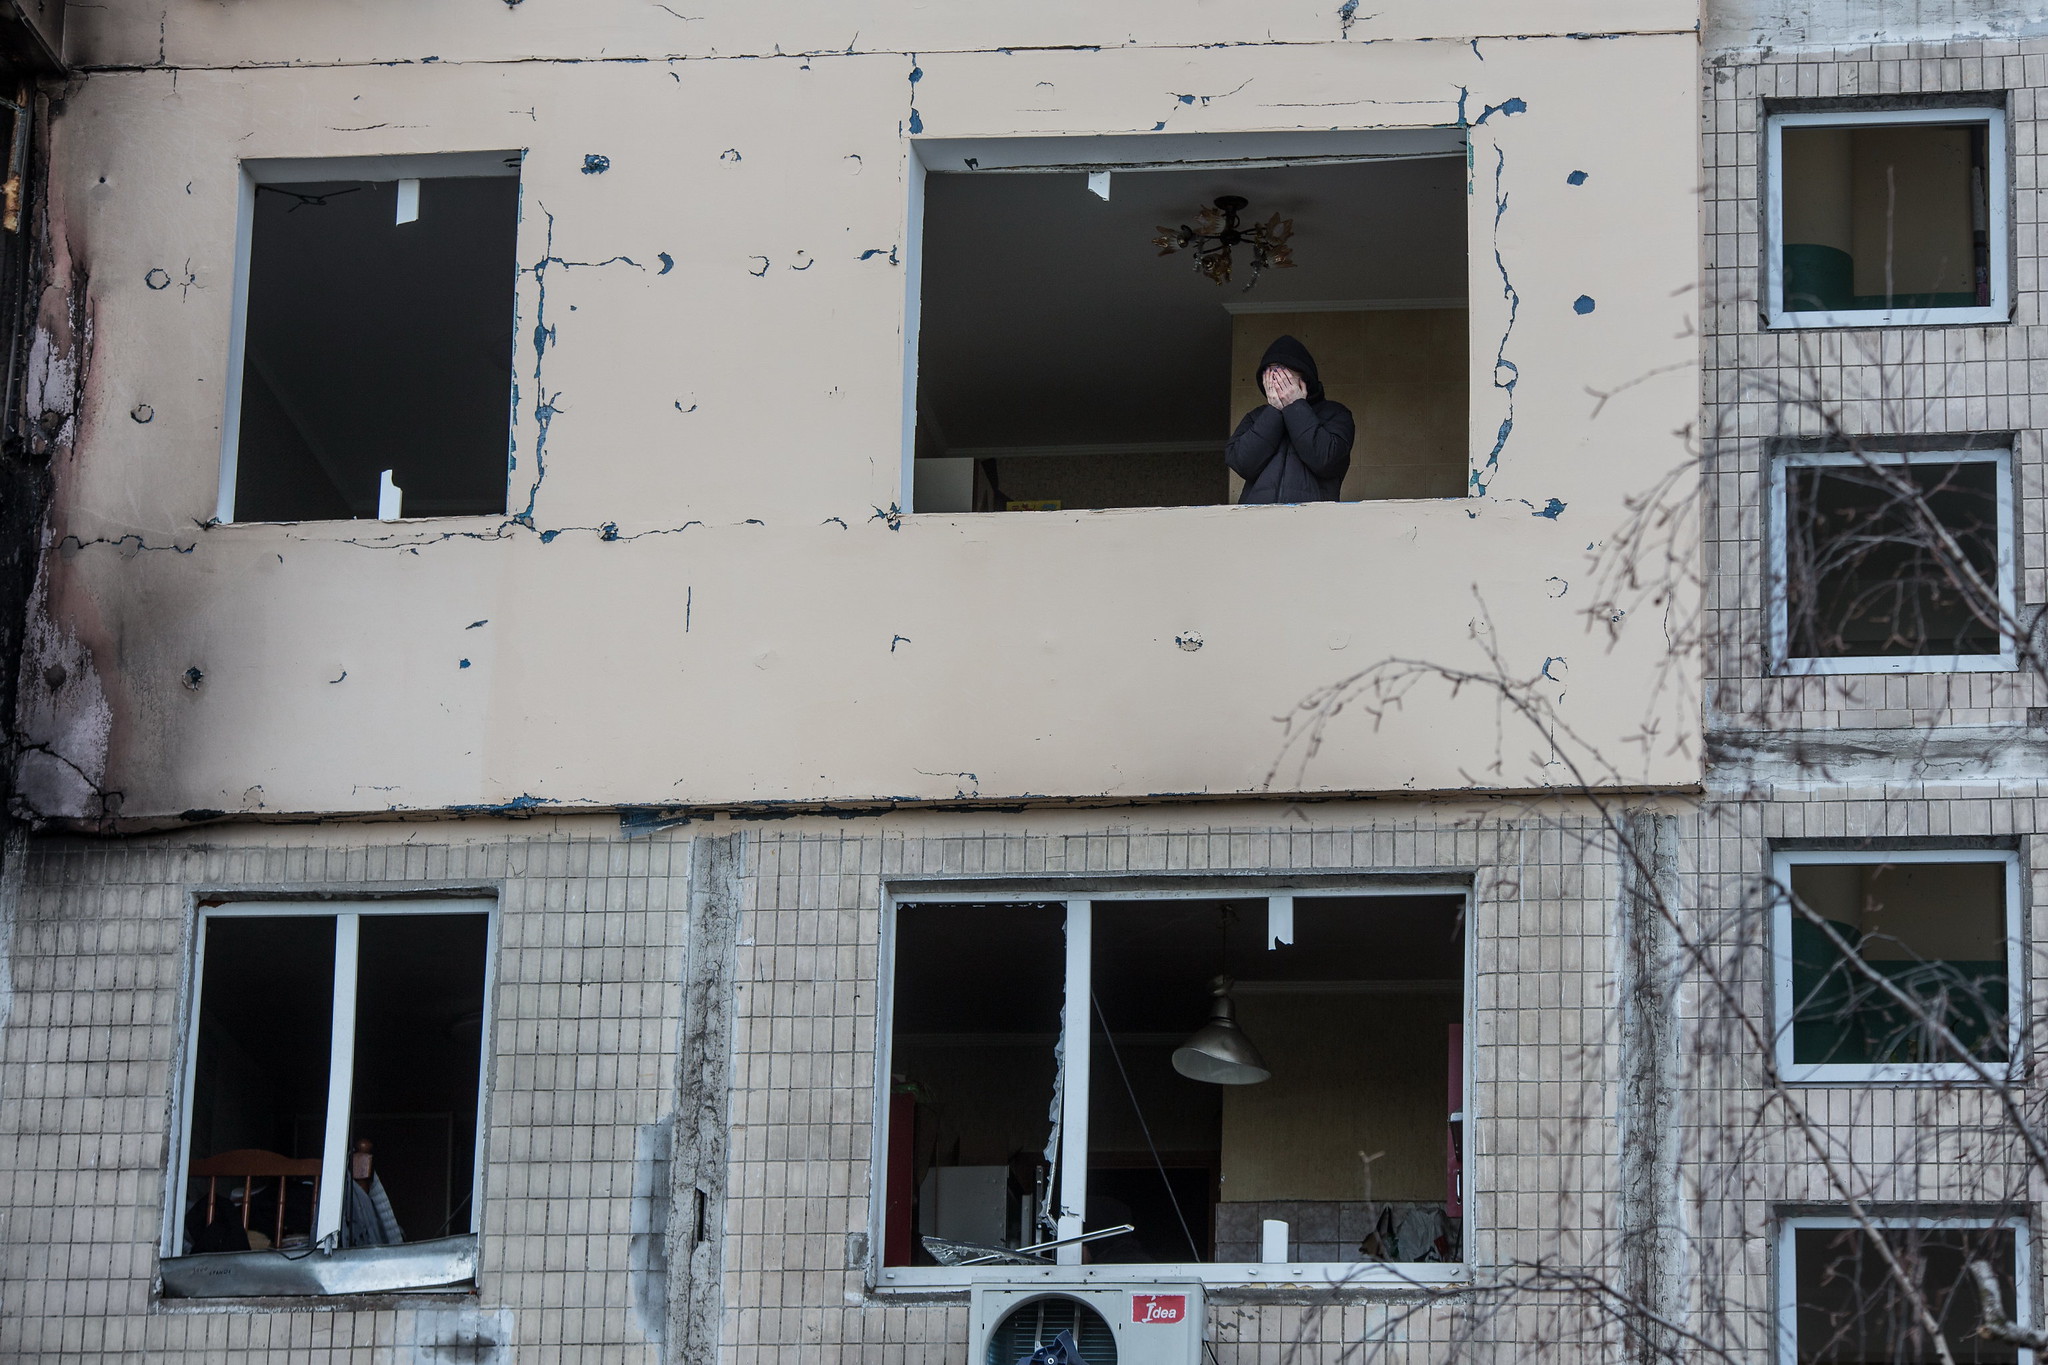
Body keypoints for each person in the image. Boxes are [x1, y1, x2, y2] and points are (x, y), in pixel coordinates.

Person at [1224, 335, 1354, 503]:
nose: (1275, 377)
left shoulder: (1335, 413)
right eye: (1269, 370)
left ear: (1303, 376)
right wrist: (1274, 412)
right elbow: (1241, 463)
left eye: (1281, 370)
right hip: (1257, 521)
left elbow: (1326, 460)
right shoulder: (1256, 417)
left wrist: (1295, 407)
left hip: (1314, 521)